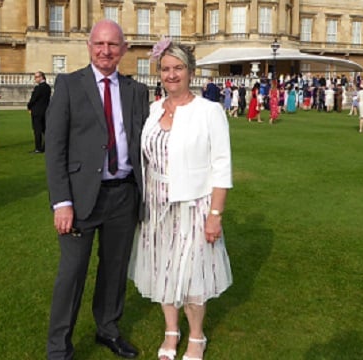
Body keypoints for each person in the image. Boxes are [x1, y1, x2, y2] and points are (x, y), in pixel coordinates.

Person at [44, 19, 149, 360]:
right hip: (79, 196)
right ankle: (59, 347)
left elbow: (142, 144)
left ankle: (108, 330)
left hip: (124, 194)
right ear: (89, 46)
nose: (106, 51)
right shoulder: (69, 85)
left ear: (124, 49)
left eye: (113, 45)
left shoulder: (136, 91)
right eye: (100, 44)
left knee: (114, 269)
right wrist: (62, 202)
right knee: (72, 274)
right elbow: (55, 148)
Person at [128, 39, 232, 360]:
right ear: (159, 73)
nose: (172, 75)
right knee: (162, 269)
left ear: (191, 72)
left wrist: (215, 213)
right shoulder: (152, 110)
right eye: (166, 69)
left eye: (178, 68)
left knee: (191, 274)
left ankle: (196, 337)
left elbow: (221, 165)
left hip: (194, 206)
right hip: (156, 206)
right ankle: (171, 331)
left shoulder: (209, 111)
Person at [27, 71, 51, 153]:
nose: (35, 79)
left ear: (41, 77)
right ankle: (46, 146)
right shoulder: (48, 87)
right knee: (45, 130)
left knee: (37, 130)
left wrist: (29, 106)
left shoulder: (38, 88)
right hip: (45, 110)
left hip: (37, 111)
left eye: (36, 77)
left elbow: (33, 99)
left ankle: (38, 148)